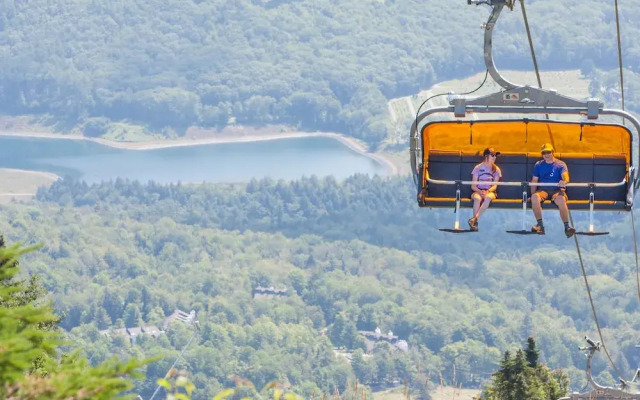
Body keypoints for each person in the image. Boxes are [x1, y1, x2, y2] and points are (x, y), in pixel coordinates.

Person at [530, 143, 576, 237]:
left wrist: (564, 181)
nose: (546, 155)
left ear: (552, 152)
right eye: (544, 153)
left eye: (548, 152)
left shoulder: (560, 164)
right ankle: (540, 225)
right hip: (543, 190)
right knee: (534, 198)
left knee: (561, 200)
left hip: (557, 190)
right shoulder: (538, 165)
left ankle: (567, 227)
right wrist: (531, 195)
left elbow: (565, 176)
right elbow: (534, 181)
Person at [468, 147, 502, 231]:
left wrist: (488, 191)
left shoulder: (496, 169)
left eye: (495, 156)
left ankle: (474, 219)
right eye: (492, 155)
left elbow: (495, 185)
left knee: (488, 197)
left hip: (490, 191)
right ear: (486, 156)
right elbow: (473, 186)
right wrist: (480, 191)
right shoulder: (478, 168)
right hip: (478, 190)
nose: (494, 157)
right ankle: (474, 223)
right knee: (477, 198)